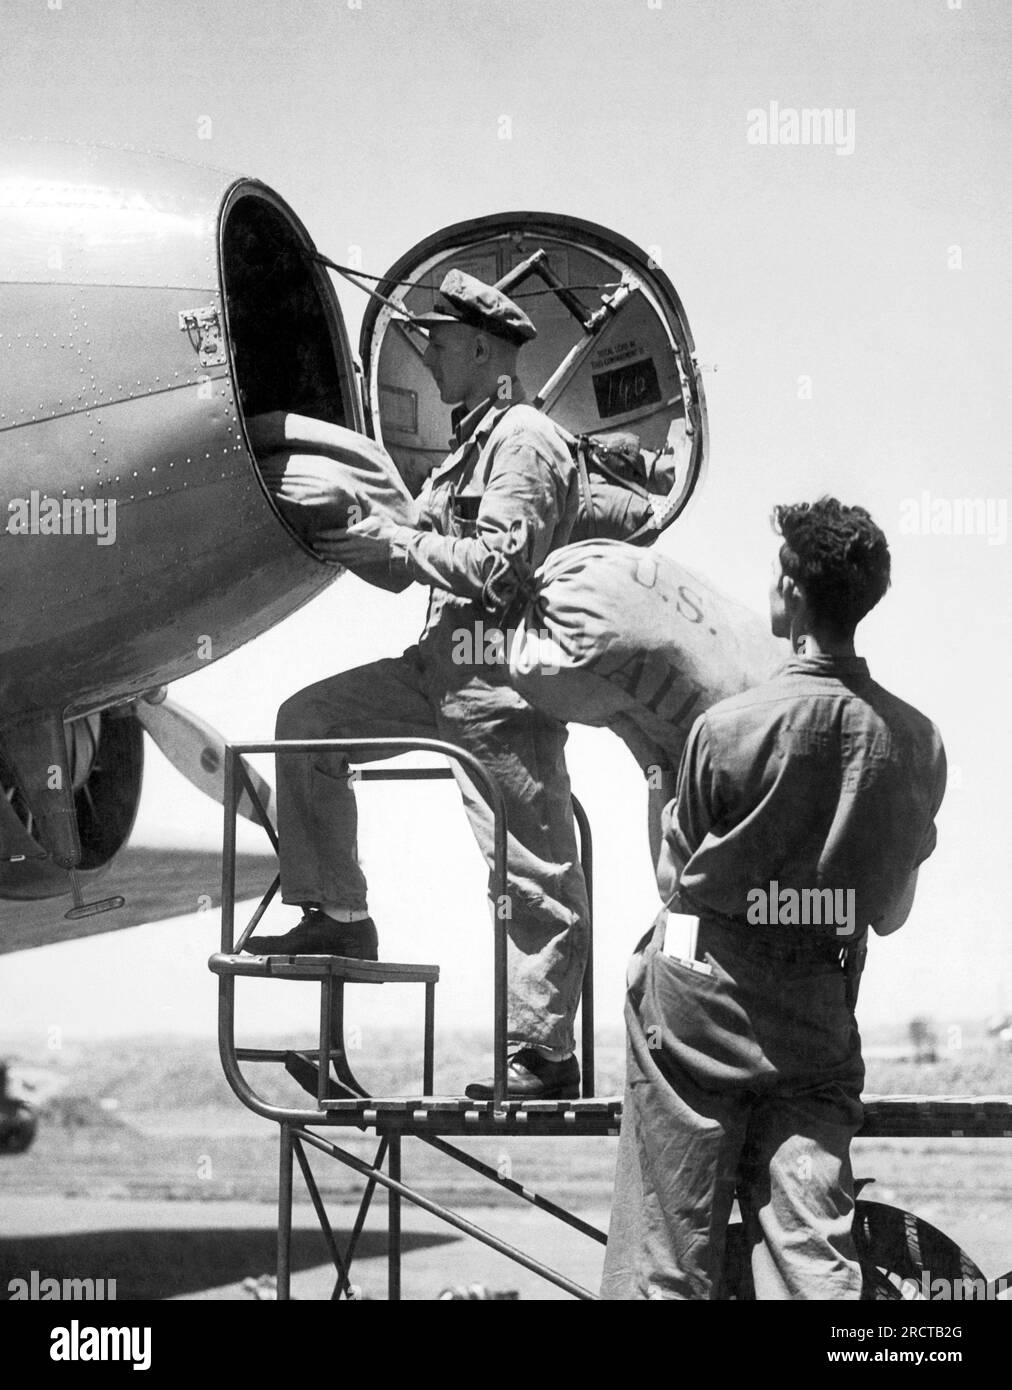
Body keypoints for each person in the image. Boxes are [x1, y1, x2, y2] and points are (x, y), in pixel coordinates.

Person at [252, 270, 590, 1100]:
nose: (429, 352)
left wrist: (398, 545)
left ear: (483, 347)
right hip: (438, 666)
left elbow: (502, 571)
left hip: (500, 678)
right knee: (307, 724)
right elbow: (411, 564)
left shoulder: (524, 441)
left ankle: (543, 1054)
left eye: (440, 339)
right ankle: (339, 917)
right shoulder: (468, 448)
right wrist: (345, 532)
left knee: (529, 870)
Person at [601, 497, 946, 1300]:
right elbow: (889, 916)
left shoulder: (725, 730)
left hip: (698, 1012)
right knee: (809, 1248)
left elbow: (673, 886)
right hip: (817, 1019)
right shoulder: (918, 743)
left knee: (666, 1246)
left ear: (790, 591)